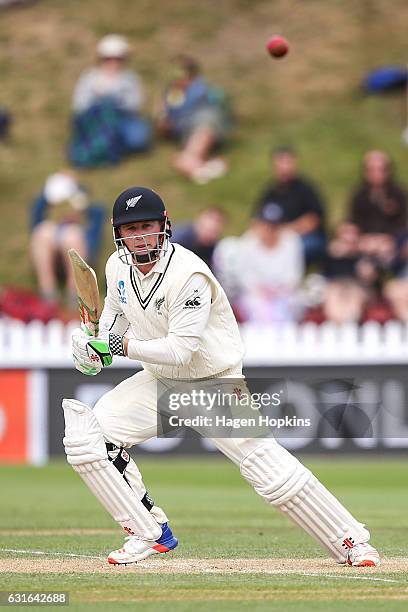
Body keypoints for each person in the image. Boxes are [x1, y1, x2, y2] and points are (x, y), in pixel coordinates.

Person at [63, 186, 380, 568]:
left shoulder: (189, 274)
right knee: (89, 438)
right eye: (131, 230)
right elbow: (115, 320)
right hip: (160, 380)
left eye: (147, 226)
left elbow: (181, 349)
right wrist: (91, 348)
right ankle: (148, 530)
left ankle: (352, 541)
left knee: (269, 472)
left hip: (211, 383)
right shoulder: (117, 267)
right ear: (119, 233)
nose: (140, 237)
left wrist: (117, 345)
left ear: (165, 226)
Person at [213, 202, 305, 323]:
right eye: (266, 225)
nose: (270, 230)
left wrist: (279, 289)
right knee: (256, 307)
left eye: (274, 226)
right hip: (256, 294)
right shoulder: (248, 242)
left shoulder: (292, 241)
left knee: (291, 305)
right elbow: (244, 276)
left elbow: (294, 274)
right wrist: (261, 289)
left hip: (284, 293)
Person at [70, 34, 151, 166]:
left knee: (138, 137)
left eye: (118, 59)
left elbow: (136, 104)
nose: (113, 62)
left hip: (123, 120)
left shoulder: (130, 79)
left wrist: (116, 101)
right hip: (96, 123)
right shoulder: (90, 77)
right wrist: (100, 103)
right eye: (108, 59)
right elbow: (79, 105)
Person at [30, 171, 105, 305]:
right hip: (53, 257)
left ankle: (75, 293)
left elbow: (99, 212)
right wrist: (55, 186)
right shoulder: (51, 226)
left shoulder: (85, 227)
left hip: (81, 255)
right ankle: (48, 291)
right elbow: (37, 215)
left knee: (71, 235)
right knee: (44, 231)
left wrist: (77, 189)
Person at [157, 55, 231, 183]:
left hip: (205, 127)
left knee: (203, 130)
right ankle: (205, 167)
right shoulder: (171, 94)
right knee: (182, 157)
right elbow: (166, 125)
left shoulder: (200, 89)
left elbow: (217, 111)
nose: (176, 78)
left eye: (180, 73)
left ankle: (191, 164)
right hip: (187, 132)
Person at [254, 147, 326, 265]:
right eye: (280, 163)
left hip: (304, 237)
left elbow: (313, 220)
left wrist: (285, 232)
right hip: (275, 238)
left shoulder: (306, 189)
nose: (284, 168)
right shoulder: (270, 192)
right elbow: (257, 220)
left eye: (288, 162)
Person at [348, 150, 407, 267]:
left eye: (381, 169)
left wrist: (387, 238)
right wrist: (362, 238)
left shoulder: (398, 194)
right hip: (365, 241)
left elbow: (403, 222)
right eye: (371, 169)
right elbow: (353, 221)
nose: (376, 173)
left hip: (392, 241)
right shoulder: (359, 195)